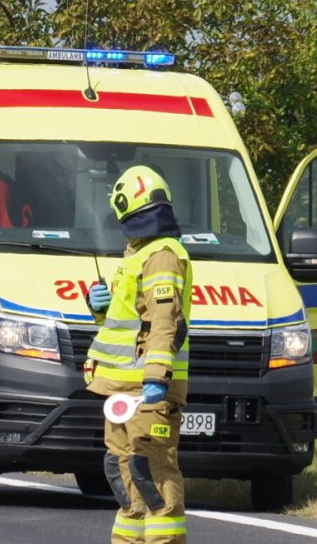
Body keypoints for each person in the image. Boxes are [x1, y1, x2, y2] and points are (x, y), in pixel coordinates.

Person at [84, 165, 192, 544]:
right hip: (119, 389)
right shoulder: (136, 254)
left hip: (147, 390)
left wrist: (156, 378)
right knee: (122, 474)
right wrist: (99, 306)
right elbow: (130, 320)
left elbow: (165, 320)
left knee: (152, 475)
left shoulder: (162, 255)